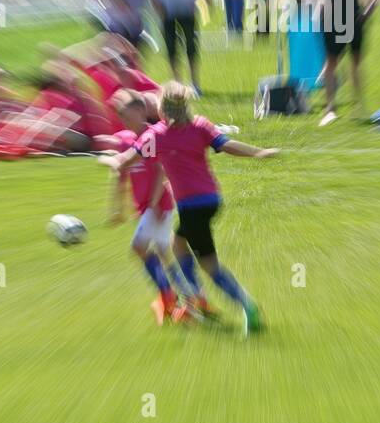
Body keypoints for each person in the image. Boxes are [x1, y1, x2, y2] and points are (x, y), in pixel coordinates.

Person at [102, 81, 278, 336]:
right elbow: (226, 145)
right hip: (211, 200)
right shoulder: (200, 126)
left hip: (191, 206)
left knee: (210, 266)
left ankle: (245, 305)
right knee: (178, 243)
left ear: (161, 108)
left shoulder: (156, 135)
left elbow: (127, 160)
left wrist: (110, 160)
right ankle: (194, 298)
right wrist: (258, 153)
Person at [98, 91, 184, 326]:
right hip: (146, 207)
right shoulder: (125, 139)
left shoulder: (152, 137)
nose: (123, 121)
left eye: (126, 115)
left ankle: (171, 295)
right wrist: (117, 210)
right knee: (164, 252)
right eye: (120, 117)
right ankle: (184, 298)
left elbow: (160, 172)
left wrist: (154, 203)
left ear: (140, 111)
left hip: (158, 205)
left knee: (140, 248)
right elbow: (121, 173)